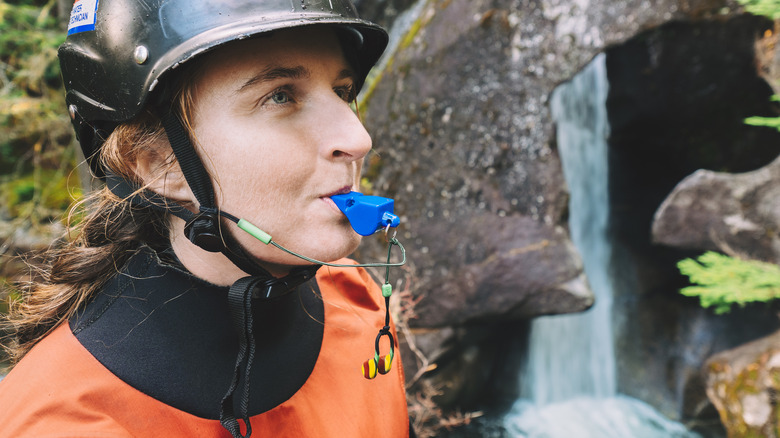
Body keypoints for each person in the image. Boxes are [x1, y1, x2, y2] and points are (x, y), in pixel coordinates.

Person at [0, 0, 412, 436]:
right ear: (159, 163)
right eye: (280, 96)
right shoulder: (63, 422)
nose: (358, 138)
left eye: (343, 90)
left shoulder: (355, 295)